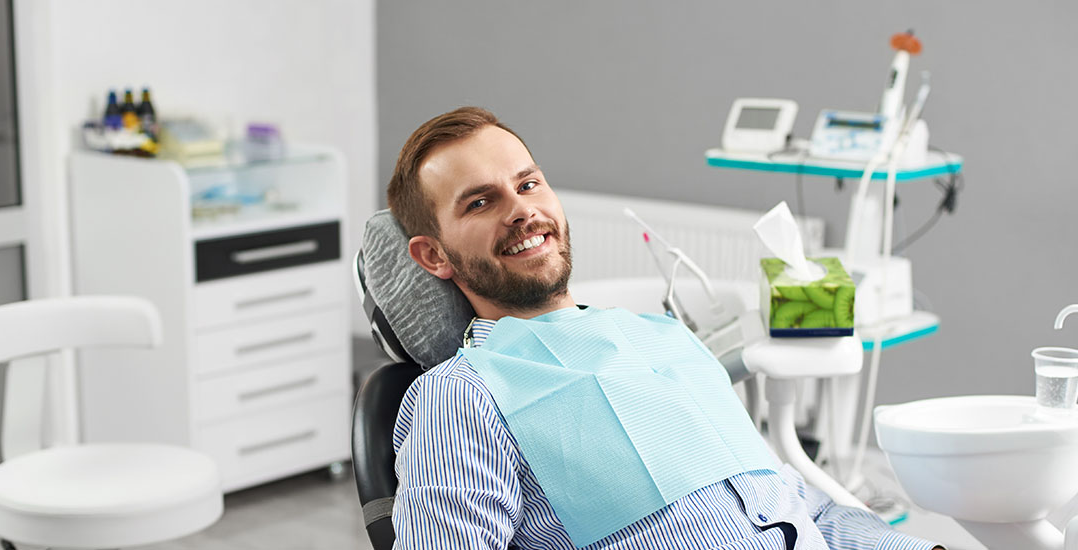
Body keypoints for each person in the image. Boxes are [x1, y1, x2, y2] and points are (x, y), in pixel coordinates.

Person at [386, 106, 943, 550]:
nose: (520, 211)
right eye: (481, 202)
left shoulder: (665, 338)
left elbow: (804, 508)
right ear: (434, 255)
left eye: (528, 185)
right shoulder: (462, 397)